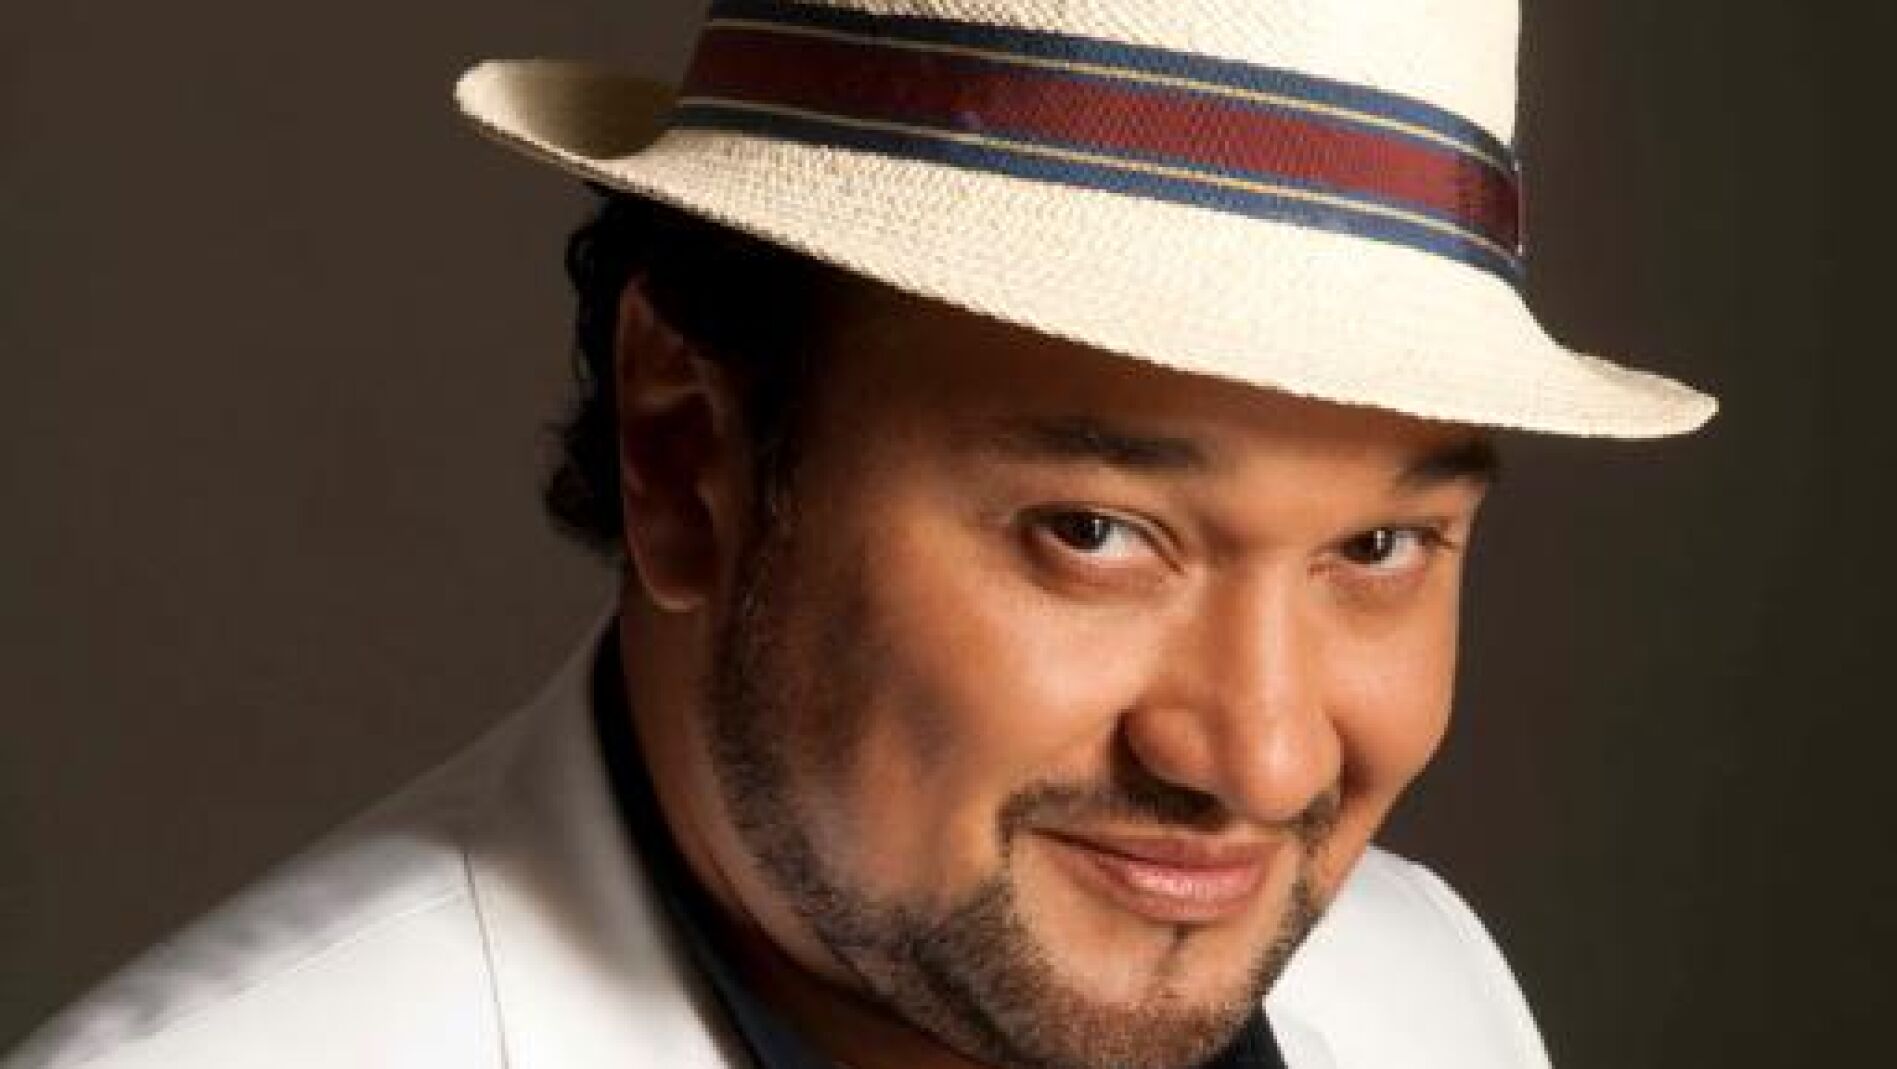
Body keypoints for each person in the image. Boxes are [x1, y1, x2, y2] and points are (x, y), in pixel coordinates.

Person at [5, 1, 1715, 1068]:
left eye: (1379, 549)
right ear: (687, 453)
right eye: (1093, 530)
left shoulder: (1428, 993)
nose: (1258, 759)